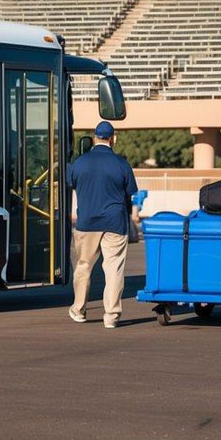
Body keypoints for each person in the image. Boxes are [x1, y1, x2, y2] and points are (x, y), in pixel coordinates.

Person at [67, 121, 138, 329]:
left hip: (87, 222)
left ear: (95, 137)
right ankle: (112, 315)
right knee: (114, 268)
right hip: (115, 221)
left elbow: (72, 185)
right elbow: (130, 192)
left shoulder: (80, 162)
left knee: (83, 266)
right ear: (113, 138)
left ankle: (79, 309)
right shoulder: (121, 163)